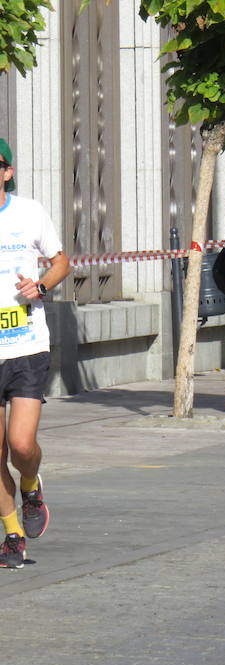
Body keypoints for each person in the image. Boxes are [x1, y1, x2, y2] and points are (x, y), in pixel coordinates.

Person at [0, 138, 71, 568]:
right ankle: (11, 534)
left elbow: (62, 261)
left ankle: (30, 483)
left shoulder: (29, 212)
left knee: (20, 444)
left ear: (6, 172)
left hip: (26, 345)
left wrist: (40, 286)